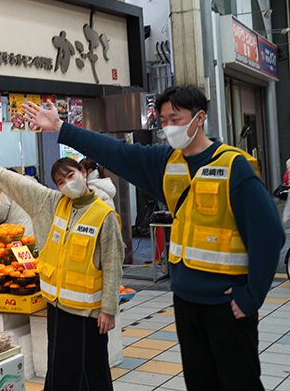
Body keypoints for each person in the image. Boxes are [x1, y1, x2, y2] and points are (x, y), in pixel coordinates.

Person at [22, 85, 285, 391]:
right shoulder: (166, 162)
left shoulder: (233, 166)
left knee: (238, 383)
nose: (169, 127)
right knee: (200, 383)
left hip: (226, 304)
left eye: (176, 118)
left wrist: (251, 296)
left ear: (199, 118)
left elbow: (270, 234)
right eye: (163, 121)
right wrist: (61, 128)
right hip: (186, 300)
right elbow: (117, 152)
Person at [0, 154, 124, 391]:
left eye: (70, 175)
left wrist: (108, 309)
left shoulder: (103, 215)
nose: (66, 184)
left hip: (88, 313)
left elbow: (113, 263)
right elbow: (24, 187)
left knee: (91, 371)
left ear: (83, 173)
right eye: (60, 182)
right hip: (58, 308)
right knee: (59, 368)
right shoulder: (54, 204)